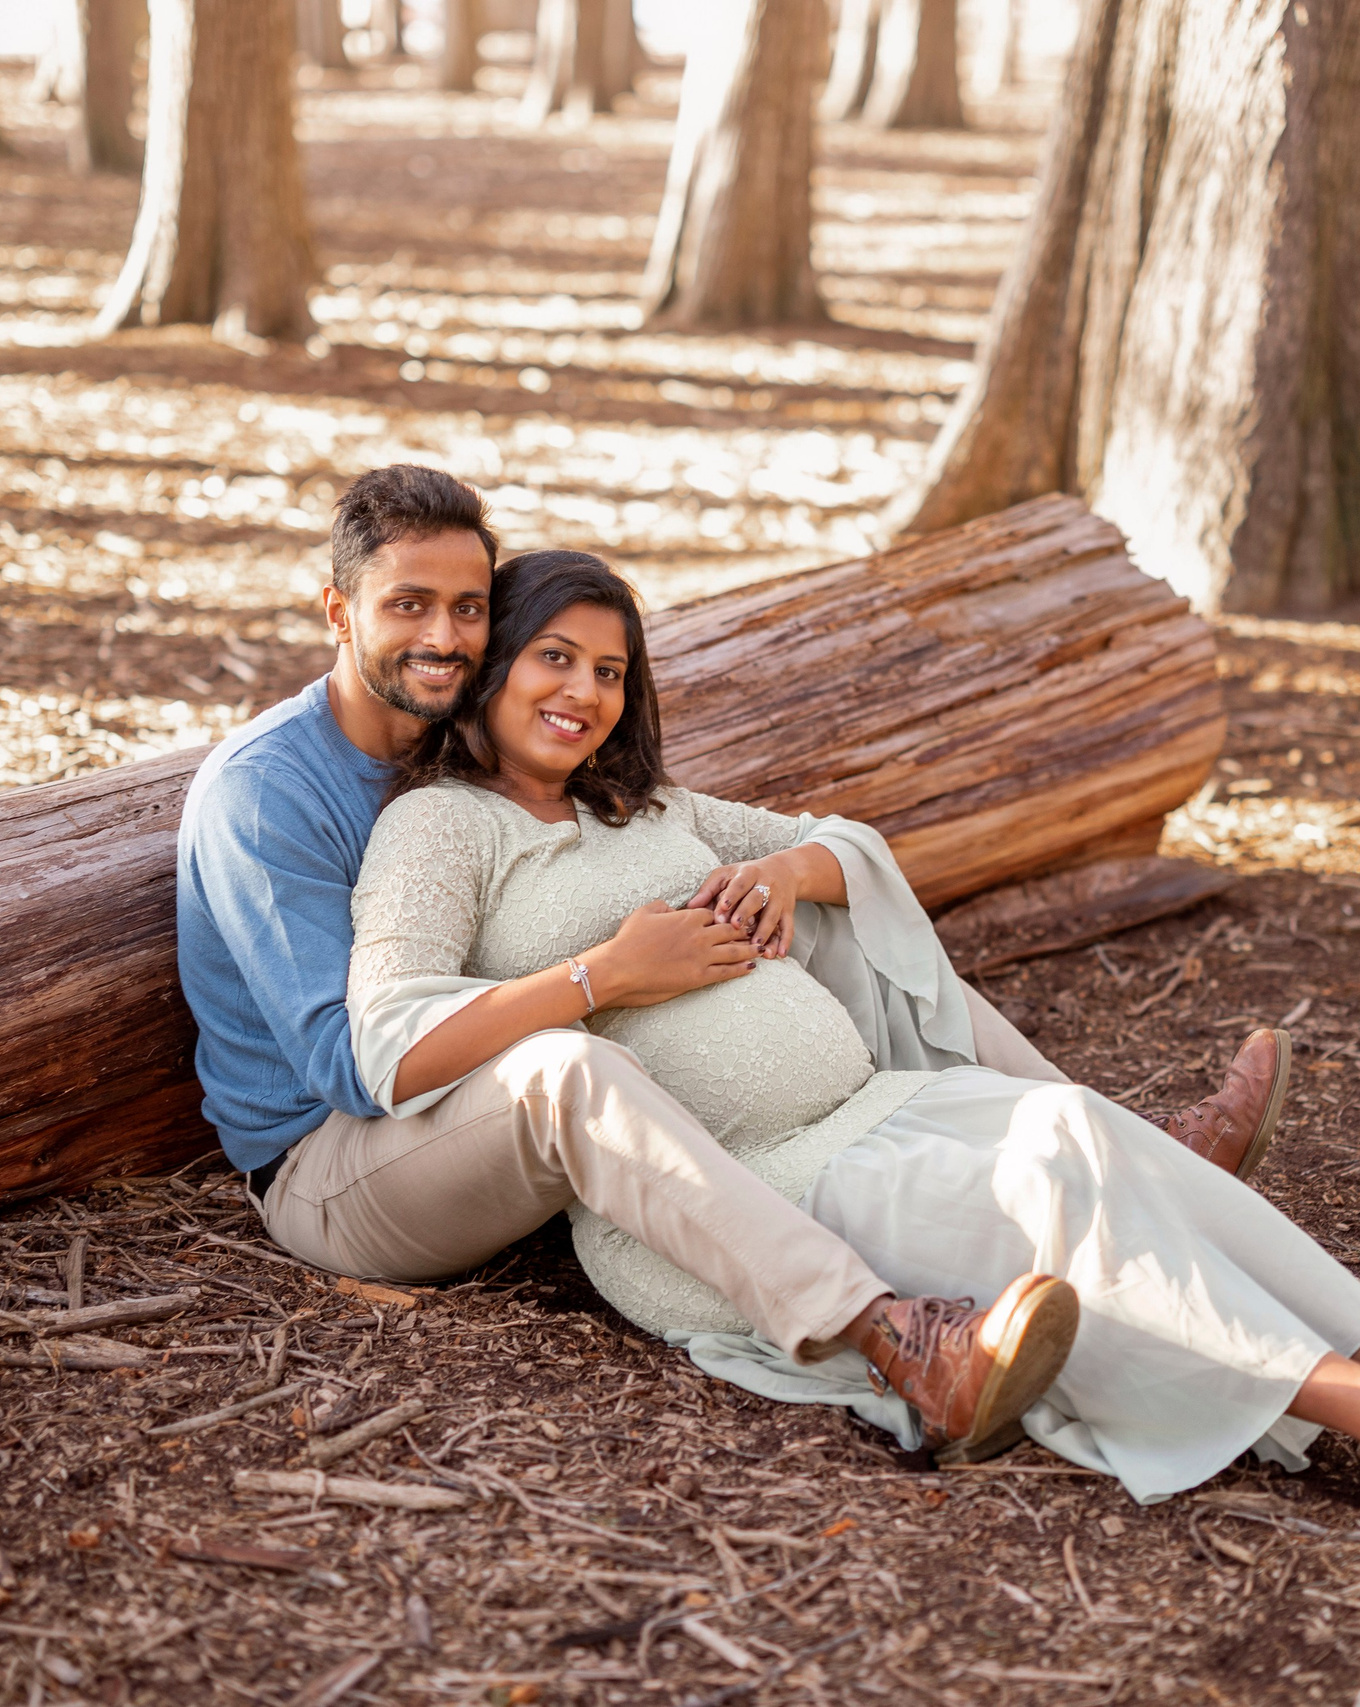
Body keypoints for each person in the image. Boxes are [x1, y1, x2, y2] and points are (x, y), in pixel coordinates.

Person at [346, 547, 1360, 1537]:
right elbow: (397, 1037)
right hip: (750, 1187)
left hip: (870, 1109)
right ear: (499, 659)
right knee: (1047, 1199)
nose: (583, 691)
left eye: (611, 671)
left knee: (1078, 1128)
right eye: (555, 658)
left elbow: (847, 845)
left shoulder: (647, 804)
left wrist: (791, 871)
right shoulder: (445, 830)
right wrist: (603, 973)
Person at [174, 466, 1291, 1460]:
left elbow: (798, 844)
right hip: (338, 1162)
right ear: (337, 611)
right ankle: (890, 1335)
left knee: (782, 902)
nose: (446, 635)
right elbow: (350, 1066)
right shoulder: (268, 793)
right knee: (571, 1066)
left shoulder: (462, 740)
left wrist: (778, 883)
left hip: (477, 1099)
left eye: (468, 608)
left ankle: (1126, 1149)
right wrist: (606, 974)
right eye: (406, 605)